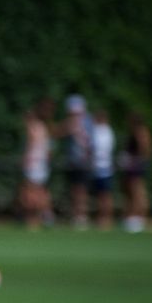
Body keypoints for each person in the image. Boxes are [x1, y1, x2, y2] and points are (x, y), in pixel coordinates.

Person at [59, 94, 93, 229]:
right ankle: (76, 215)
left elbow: (89, 143)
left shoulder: (87, 122)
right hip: (73, 161)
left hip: (83, 161)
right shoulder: (71, 122)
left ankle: (81, 216)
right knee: (75, 189)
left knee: (81, 190)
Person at [18, 102, 53, 230]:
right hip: (42, 163)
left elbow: (31, 145)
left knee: (30, 191)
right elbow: (49, 149)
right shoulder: (43, 127)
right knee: (41, 190)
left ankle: (34, 218)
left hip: (33, 162)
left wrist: (25, 159)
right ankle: (47, 215)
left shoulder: (31, 127)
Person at [119, 112, 152, 233]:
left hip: (136, 166)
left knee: (137, 191)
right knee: (131, 191)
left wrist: (135, 160)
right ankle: (133, 215)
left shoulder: (141, 132)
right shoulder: (134, 132)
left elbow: (145, 150)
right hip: (132, 166)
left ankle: (138, 217)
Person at [88, 110, 116, 230]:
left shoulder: (102, 131)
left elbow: (95, 148)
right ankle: (103, 217)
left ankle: (106, 218)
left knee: (104, 194)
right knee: (102, 194)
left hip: (103, 166)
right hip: (101, 167)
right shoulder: (105, 130)